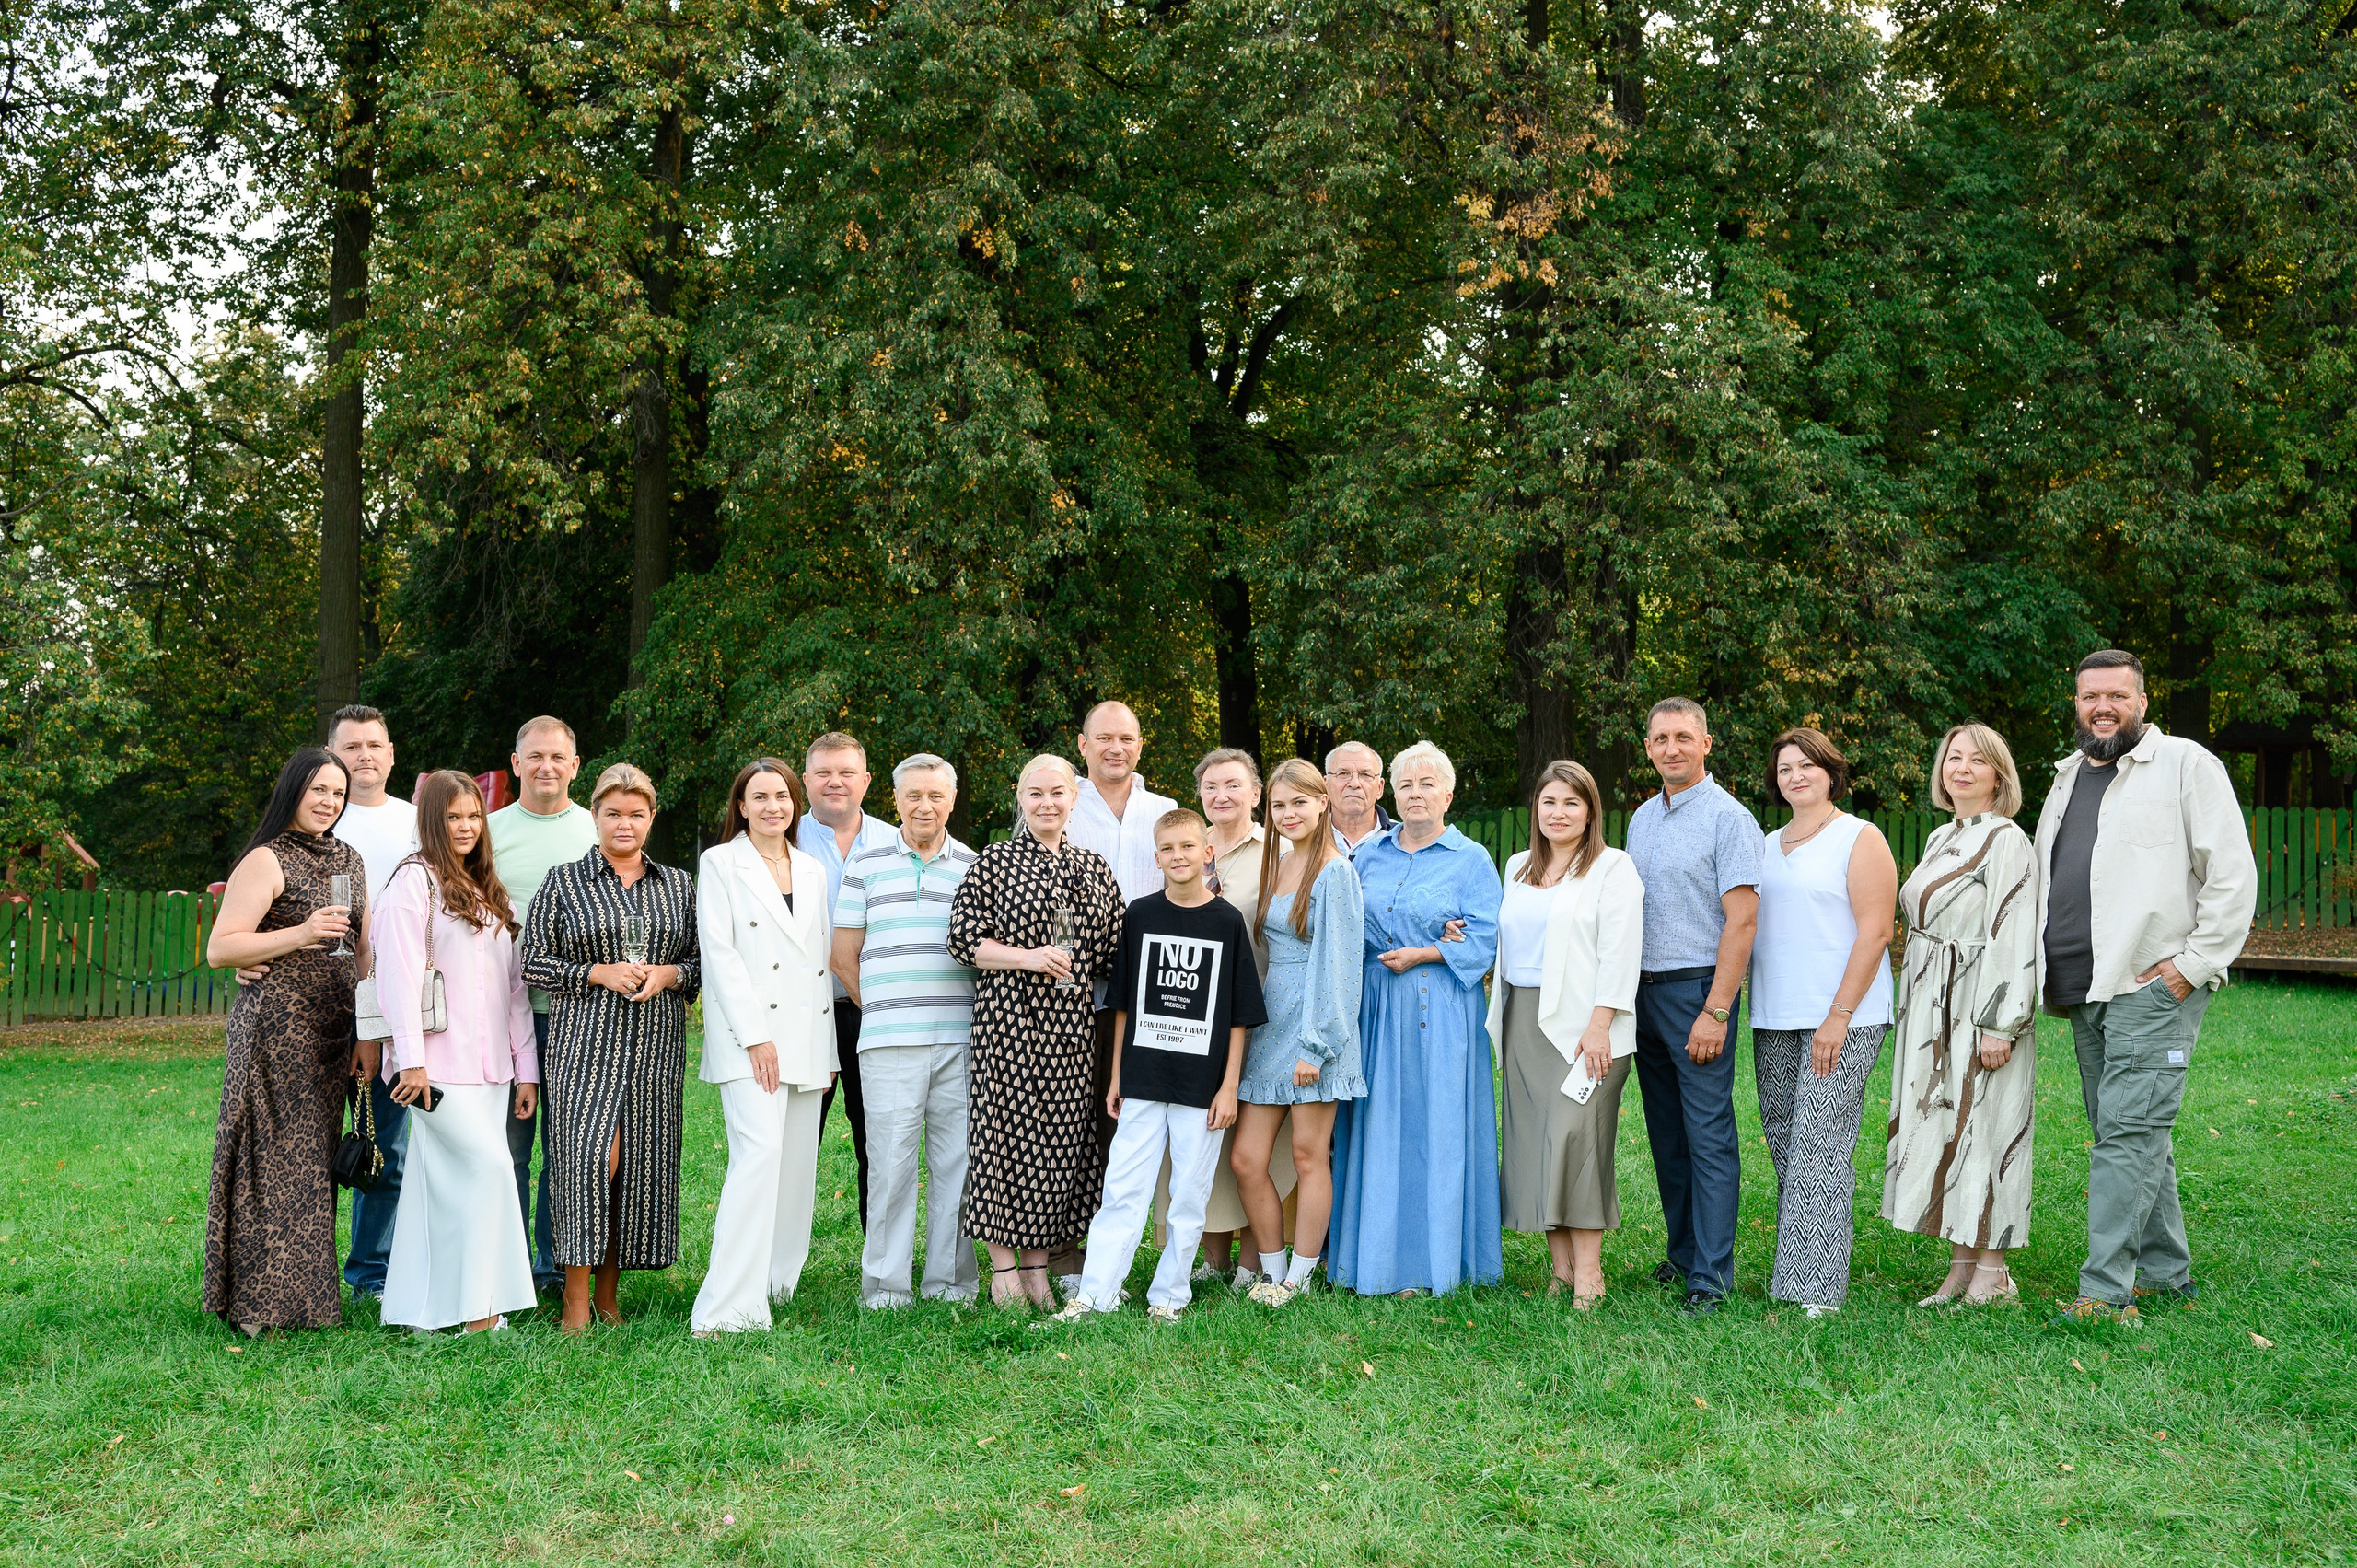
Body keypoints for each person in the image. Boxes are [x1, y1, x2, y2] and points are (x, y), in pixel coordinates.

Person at [2036, 649, 2257, 1324]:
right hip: (2085, 984)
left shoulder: (2187, 765)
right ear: (2075, 703)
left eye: (2116, 695)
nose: (2102, 706)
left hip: (2151, 986)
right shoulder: (2067, 775)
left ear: (2143, 701)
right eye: (2088, 696)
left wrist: (2190, 968)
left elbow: (2232, 874)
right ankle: (2165, 1271)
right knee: (2128, 1128)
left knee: (2126, 1134)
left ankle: (2105, 1292)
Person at [1048, 809, 1267, 1324]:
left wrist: (1229, 1085)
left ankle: (1169, 1296)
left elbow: (1239, 1015)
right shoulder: (1141, 915)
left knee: (1188, 1194)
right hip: (1143, 1077)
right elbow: (1124, 1002)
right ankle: (1096, 1294)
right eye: (1168, 849)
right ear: (1156, 858)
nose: (1179, 857)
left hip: (1202, 1084)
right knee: (1122, 1188)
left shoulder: (1227, 920)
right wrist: (1118, 1074)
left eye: (1189, 847)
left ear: (1206, 851)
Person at [519, 763, 702, 1333]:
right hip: (584, 1038)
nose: (625, 824)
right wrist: (598, 971)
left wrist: (669, 974)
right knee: (587, 1161)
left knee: (638, 1166)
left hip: (654, 1044)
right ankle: (573, 1295)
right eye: (613, 813)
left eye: (637, 814)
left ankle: (608, 1294)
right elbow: (532, 962)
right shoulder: (563, 881)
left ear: (651, 818)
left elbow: (703, 964)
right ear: (594, 816)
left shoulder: (678, 884)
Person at [946, 753, 1125, 1307]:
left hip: (1072, 1030)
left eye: (1057, 793)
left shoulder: (1094, 866)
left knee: (1061, 1147)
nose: (1047, 803)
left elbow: (1117, 949)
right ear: (1020, 799)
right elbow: (963, 941)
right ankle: (1002, 1272)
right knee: (1003, 1143)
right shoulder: (993, 862)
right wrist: (1027, 958)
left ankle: (1039, 1268)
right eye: (1036, 793)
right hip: (1009, 1022)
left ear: (1074, 798)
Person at [202, 747, 369, 1334]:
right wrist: (300, 933)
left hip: (332, 1031)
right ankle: (259, 1308)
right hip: (275, 1029)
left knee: (314, 1165)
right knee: (272, 1162)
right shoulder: (266, 858)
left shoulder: (350, 858)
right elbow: (222, 948)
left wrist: (367, 1030)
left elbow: (363, 953)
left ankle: (309, 1306)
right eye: (318, 790)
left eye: (338, 794)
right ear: (293, 791)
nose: (329, 802)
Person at [1329, 741, 1504, 1296]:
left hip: (1440, 1008)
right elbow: (1344, 924)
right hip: (1375, 1007)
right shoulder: (1368, 856)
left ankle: (1432, 1265)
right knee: (1379, 1124)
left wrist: (1428, 951)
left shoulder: (1470, 859)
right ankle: (1374, 1258)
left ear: (1448, 795)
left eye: (1428, 784)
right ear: (1392, 794)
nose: (1416, 793)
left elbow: (1484, 938)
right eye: (1406, 785)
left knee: (1437, 1126)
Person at [376, 770, 540, 1335]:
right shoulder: (412, 881)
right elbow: (397, 977)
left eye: (473, 815)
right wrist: (411, 1058)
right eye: (453, 817)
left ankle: (425, 1311)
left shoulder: (485, 889)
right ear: (431, 820)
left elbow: (513, 989)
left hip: (493, 1066)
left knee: (444, 1188)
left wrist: (527, 1069)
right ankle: (480, 1312)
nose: (466, 826)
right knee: (490, 1170)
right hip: (437, 1068)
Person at [1882, 723, 2040, 1307]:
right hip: (1930, 1004)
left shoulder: (2006, 841)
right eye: (1954, 758)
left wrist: (2001, 1021)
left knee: (1987, 1124)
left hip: (1980, 1003)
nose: (1963, 768)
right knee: (1948, 1125)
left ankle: (1993, 1272)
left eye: (1978, 760)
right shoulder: (1939, 838)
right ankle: (1959, 1265)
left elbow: (2013, 930)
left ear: (1999, 774)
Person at [1749, 728, 1897, 1317]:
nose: (1796, 776)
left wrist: (1838, 1016)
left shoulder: (1859, 838)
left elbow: (1877, 930)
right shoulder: (1765, 844)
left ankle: (1817, 1291)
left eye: (1807, 765)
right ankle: (1798, 1272)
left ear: (1831, 772)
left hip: (1844, 1018)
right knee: (1788, 1146)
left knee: (1821, 1145)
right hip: (1774, 1015)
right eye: (1785, 768)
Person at [1623, 698, 1762, 1316]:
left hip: (1697, 991)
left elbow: (1743, 918)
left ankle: (1711, 1275)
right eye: (1661, 738)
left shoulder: (1729, 818)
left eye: (1684, 736)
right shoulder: (1642, 818)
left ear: (1707, 743)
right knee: (1667, 1134)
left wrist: (1717, 1008)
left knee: (1707, 1134)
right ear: (1648, 747)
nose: (1672, 747)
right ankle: (1682, 1253)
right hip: (1643, 993)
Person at [1489, 761, 1644, 1308]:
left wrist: (1600, 1025)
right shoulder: (1516, 868)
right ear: (1536, 808)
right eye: (1549, 802)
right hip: (1522, 1023)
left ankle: (1590, 1275)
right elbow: (1505, 939)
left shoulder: (1612, 868)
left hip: (1586, 1027)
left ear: (1590, 811)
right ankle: (1559, 1271)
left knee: (1577, 1141)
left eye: (1571, 803)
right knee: (1536, 1146)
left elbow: (1621, 951)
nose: (1558, 813)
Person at [691, 759, 836, 1335]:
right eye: (760, 797)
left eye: (782, 795)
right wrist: (756, 1038)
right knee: (758, 1160)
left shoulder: (811, 868)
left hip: (806, 1037)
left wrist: (822, 1050)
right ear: (742, 807)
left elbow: (817, 962)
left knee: (797, 1166)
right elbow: (720, 955)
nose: (773, 805)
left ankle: (777, 1281)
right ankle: (727, 1305)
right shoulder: (720, 862)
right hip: (749, 1039)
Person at [833, 755, 981, 1309]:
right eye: (913, 795)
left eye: (936, 796)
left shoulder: (974, 865)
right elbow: (843, 956)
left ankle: (951, 1284)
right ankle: (886, 1288)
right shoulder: (866, 863)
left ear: (951, 798)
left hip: (961, 1039)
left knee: (956, 1165)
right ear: (895, 800)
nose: (925, 806)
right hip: (890, 1040)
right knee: (892, 1166)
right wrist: (886, 1008)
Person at [1235, 759, 1364, 1307]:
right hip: (1272, 1020)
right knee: (1247, 1158)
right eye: (1279, 806)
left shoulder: (1335, 871)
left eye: (1299, 803)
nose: (1288, 814)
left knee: (1311, 1156)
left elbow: (1339, 965)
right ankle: (1270, 1267)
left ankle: (1299, 1278)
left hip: (1318, 1026)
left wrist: (1317, 1045)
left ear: (1322, 804)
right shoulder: (1280, 864)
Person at [1061, 701, 1177, 1279]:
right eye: (1102, 737)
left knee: (1131, 1117)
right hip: (1073, 991)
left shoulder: (1166, 810)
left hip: (1152, 992)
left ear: (1140, 744)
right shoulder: (1062, 799)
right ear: (1082, 745)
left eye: (1126, 737)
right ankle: (1065, 1249)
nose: (1115, 748)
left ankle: (1125, 1250)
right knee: (1072, 1116)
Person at [1172, 746, 1294, 1287]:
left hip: (1262, 1014)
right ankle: (1212, 1256)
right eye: (1210, 787)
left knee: (1255, 1139)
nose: (1221, 796)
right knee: (1205, 1131)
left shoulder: (1281, 851)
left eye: (1232, 786)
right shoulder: (1187, 849)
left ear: (1256, 793)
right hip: (1194, 1018)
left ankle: (1254, 1258)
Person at [488, 715, 598, 1293]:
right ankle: (505, 1267)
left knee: (568, 1150)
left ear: (576, 766)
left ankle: (554, 1269)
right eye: (534, 757)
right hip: (502, 1014)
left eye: (558, 757)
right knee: (508, 1148)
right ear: (516, 763)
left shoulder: (596, 831)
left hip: (577, 1014)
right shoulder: (486, 830)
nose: (546, 767)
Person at [323, 703, 419, 1302]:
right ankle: (305, 1269)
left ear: (390, 753)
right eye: (351, 745)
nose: (364, 755)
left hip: (394, 1004)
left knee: (384, 1145)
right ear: (333, 753)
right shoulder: (315, 819)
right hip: (317, 1000)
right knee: (306, 1145)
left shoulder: (416, 822)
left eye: (374, 745)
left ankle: (370, 1275)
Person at [795, 733, 901, 1231]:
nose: (834, 782)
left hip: (874, 1012)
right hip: (803, 1012)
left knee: (877, 1141)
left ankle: (879, 1259)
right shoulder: (782, 838)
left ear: (866, 781)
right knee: (796, 1143)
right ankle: (776, 1265)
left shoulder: (897, 841)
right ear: (806, 781)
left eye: (846, 772)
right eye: (823, 773)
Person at [1325, 742, 1396, 858]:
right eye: (1343, 773)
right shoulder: (1306, 837)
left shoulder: (1403, 838)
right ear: (1326, 785)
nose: (1354, 784)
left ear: (1380, 788)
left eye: (1365, 775)